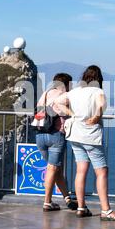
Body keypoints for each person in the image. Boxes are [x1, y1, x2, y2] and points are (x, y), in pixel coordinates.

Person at [55, 65, 115, 221]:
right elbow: (102, 105)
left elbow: (58, 102)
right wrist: (95, 117)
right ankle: (106, 210)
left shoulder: (74, 92)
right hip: (90, 136)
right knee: (102, 171)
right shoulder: (98, 91)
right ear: (99, 79)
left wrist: (71, 114)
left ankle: (81, 207)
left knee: (81, 170)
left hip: (74, 135)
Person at [35, 73, 78, 212]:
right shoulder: (65, 95)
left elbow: (38, 110)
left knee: (54, 169)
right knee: (52, 169)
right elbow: (73, 112)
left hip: (40, 135)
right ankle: (47, 202)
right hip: (56, 135)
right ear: (66, 85)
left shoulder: (46, 94)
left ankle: (67, 198)